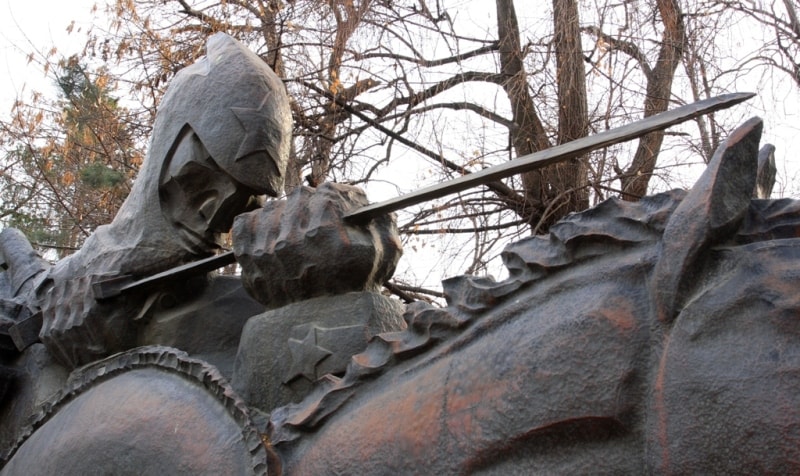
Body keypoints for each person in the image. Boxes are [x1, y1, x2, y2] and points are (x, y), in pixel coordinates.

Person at [3, 32, 292, 370]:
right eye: (200, 179)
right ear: (167, 148)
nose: (212, 215)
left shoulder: (240, 310)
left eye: (244, 201)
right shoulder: (43, 289)